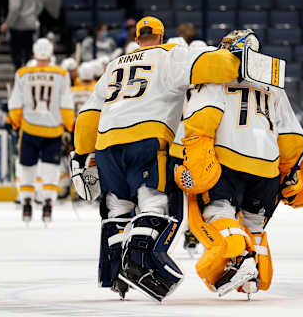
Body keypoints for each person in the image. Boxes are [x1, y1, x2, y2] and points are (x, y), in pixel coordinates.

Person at [70, 16, 242, 301]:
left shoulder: (114, 65)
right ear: (162, 37)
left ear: (137, 39)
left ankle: (116, 275)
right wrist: (237, 59)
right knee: (155, 202)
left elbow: (88, 116)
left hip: (106, 143)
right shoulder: (170, 56)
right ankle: (136, 261)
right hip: (147, 139)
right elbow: (213, 66)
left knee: (118, 207)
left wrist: (80, 153)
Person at [173, 30, 303, 298]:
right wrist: (290, 172)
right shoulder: (273, 85)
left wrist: (188, 156)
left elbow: (201, 119)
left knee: (217, 212)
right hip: (267, 168)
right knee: (254, 223)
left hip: (228, 160)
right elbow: (292, 137)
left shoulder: (216, 75)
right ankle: (254, 276)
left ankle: (239, 257)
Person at [7, 38, 74, 223]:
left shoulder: (23, 73)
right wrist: (70, 126)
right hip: (53, 131)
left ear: (35, 53)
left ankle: (27, 201)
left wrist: (12, 121)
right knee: (50, 168)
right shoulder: (61, 74)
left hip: (30, 128)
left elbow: (16, 102)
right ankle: (48, 203)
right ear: (51, 53)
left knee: (27, 167)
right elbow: (66, 103)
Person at [0, 0, 42, 69]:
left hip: (18, 25)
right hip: (30, 24)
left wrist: (7, 23)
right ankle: (27, 75)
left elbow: (15, 8)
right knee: (28, 54)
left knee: (17, 55)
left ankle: (20, 76)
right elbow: (39, 5)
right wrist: (32, 15)